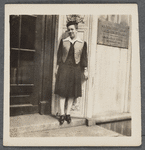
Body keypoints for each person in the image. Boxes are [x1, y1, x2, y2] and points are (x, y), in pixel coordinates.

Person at [55, 21, 88, 125]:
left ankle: (68, 113)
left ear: (76, 30)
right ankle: (61, 114)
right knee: (62, 92)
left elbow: (84, 58)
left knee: (72, 93)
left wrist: (85, 70)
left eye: (72, 29)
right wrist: (57, 68)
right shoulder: (63, 41)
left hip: (76, 69)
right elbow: (59, 56)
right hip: (64, 69)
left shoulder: (82, 43)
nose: (70, 31)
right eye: (69, 30)